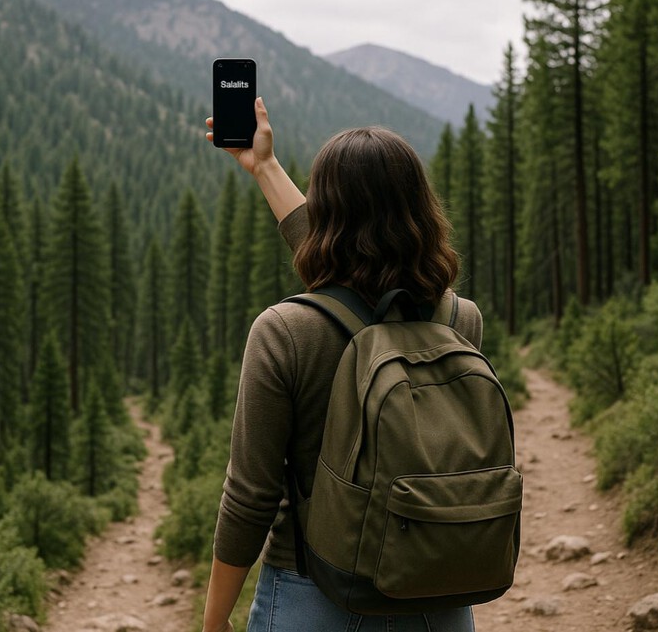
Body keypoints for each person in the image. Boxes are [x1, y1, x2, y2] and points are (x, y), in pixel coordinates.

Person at [201, 98, 482, 632]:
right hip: (439, 594)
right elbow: (365, 279)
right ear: (422, 209)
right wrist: (264, 167)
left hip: (316, 596)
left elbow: (248, 498)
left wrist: (214, 623)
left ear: (327, 217)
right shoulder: (460, 321)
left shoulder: (284, 332)